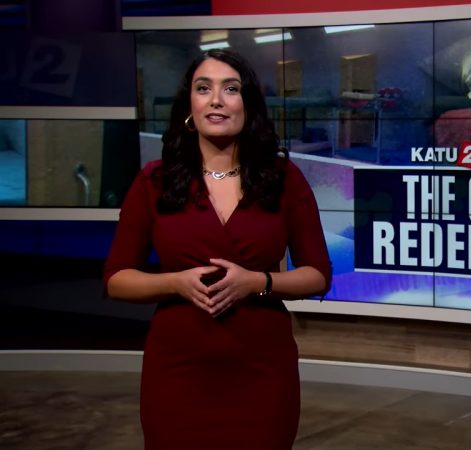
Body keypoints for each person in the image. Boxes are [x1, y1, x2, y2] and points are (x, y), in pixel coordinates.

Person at [104, 49, 331, 449]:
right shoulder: (155, 181)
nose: (216, 100)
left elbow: (317, 275)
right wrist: (174, 283)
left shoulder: (282, 179)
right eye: (203, 88)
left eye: (230, 89)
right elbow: (116, 280)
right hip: (177, 372)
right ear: (189, 106)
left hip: (262, 370)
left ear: (248, 105)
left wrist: (257, 283)